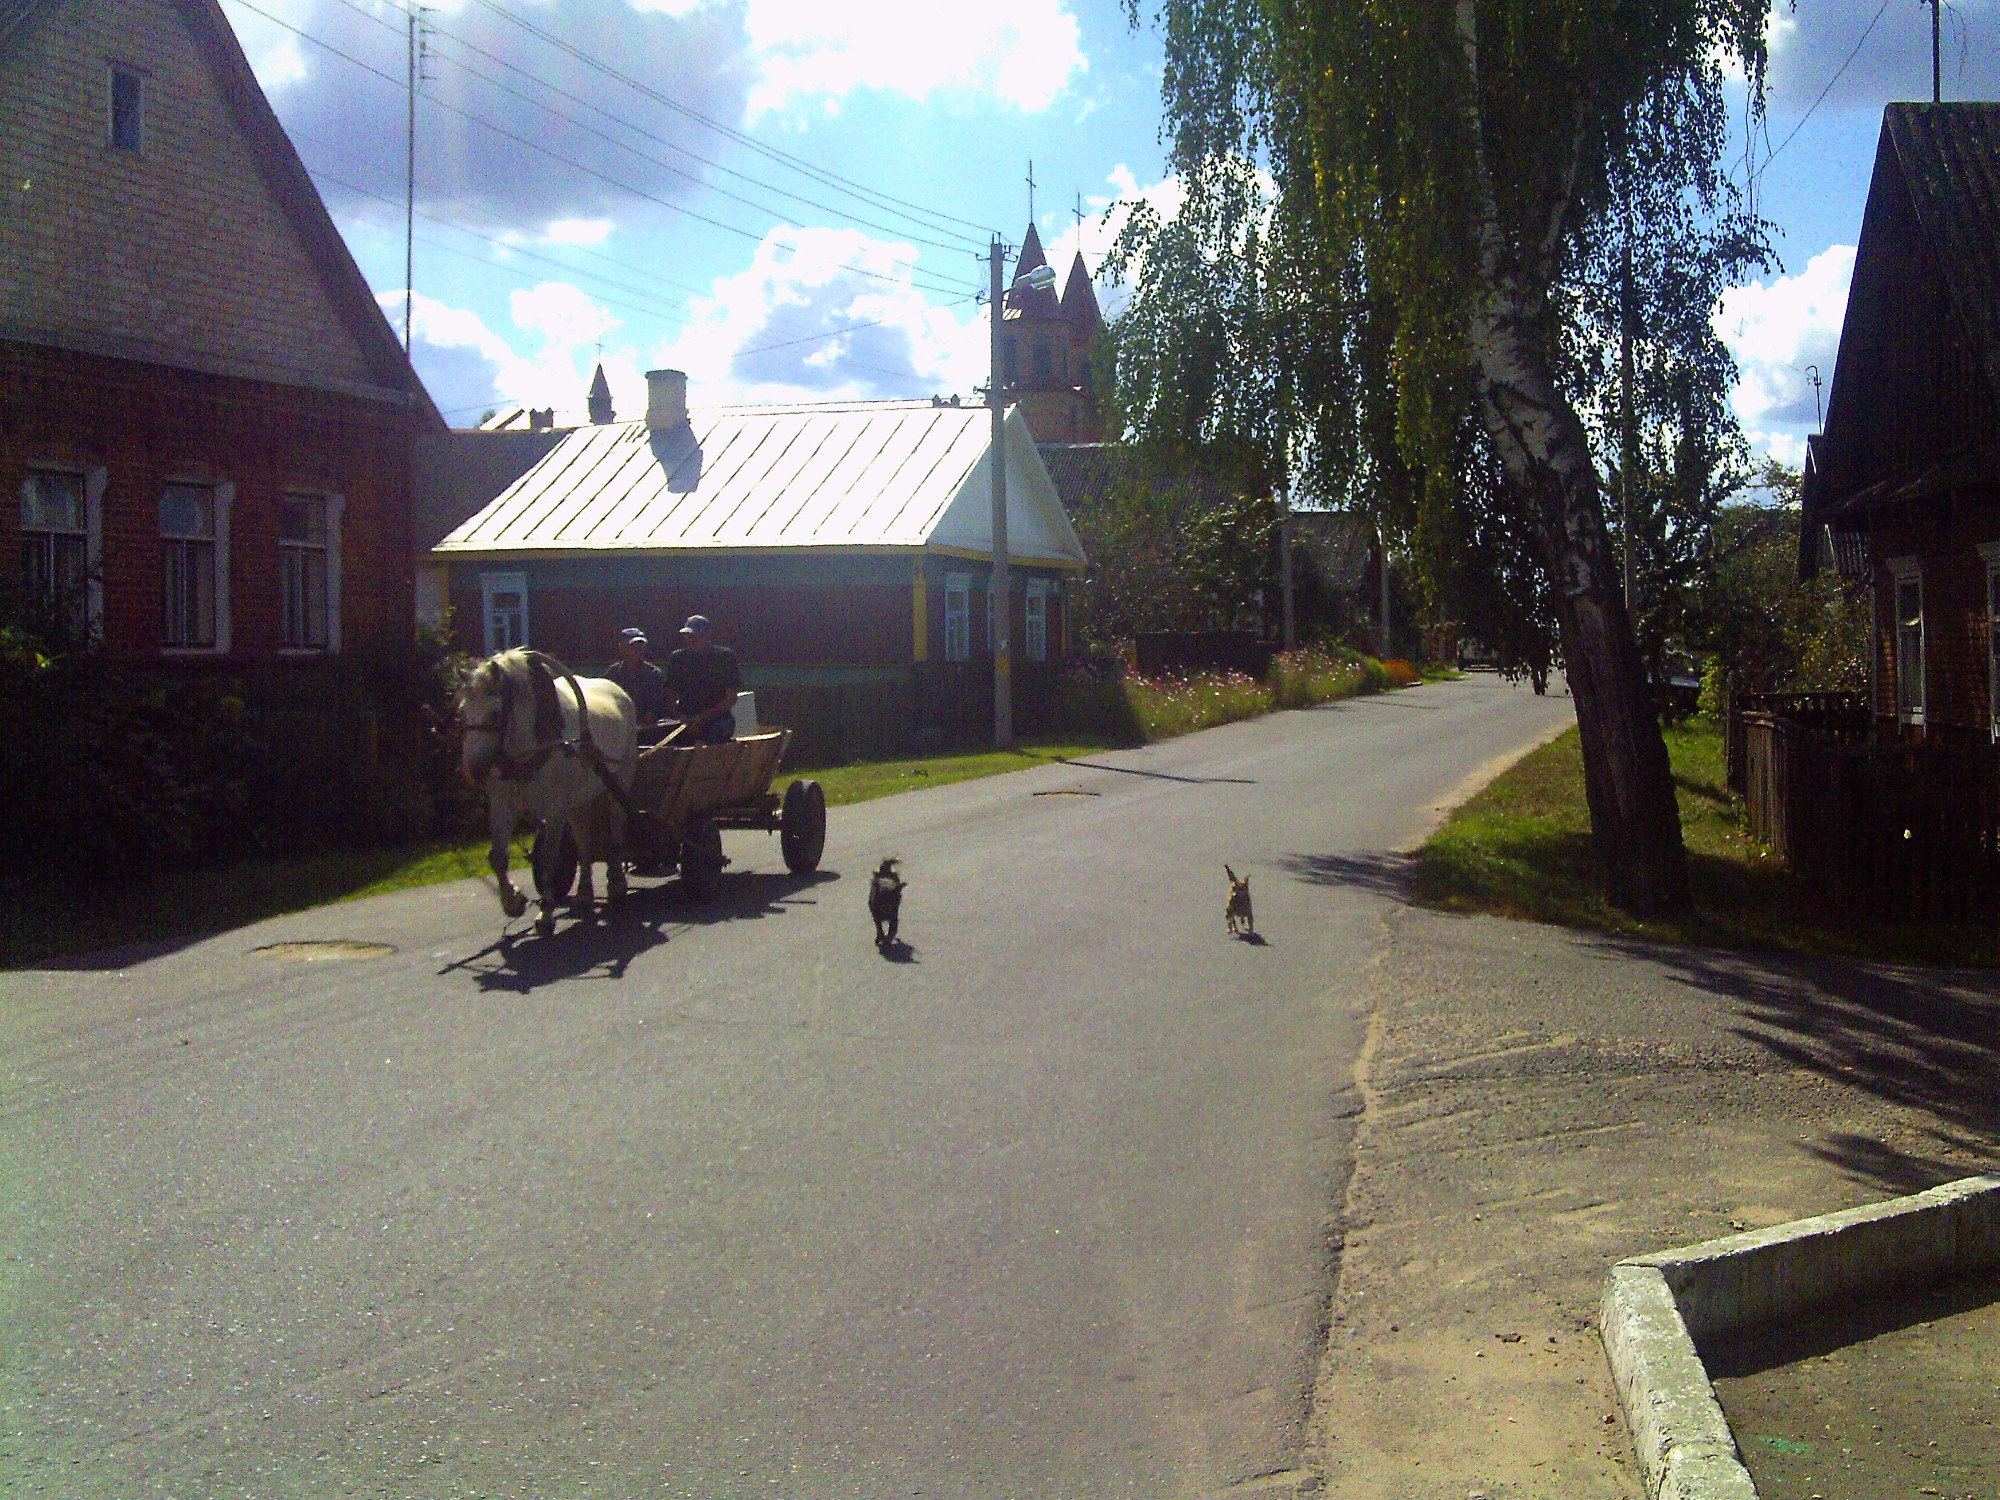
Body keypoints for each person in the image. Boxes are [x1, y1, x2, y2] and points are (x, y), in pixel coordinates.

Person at [664, 614, 741, 743]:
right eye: (688, 635)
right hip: (684, 719)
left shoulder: (724, 657)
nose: (691, 639)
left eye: (696, 635)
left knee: (714, 733)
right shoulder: (677, 658)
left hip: (717, 719)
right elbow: (669, 694)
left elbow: (731, 698)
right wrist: (680, 717)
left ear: (707, 635)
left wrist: (703, 718)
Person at [604, 626, 669, 731]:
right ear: (622, 648)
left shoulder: (654, 675)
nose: (636, 650)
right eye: (632, 646)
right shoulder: (612, 674)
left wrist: (639, 727)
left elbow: (655, 708)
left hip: (649, 730)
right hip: (618, 728)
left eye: (640, 647)